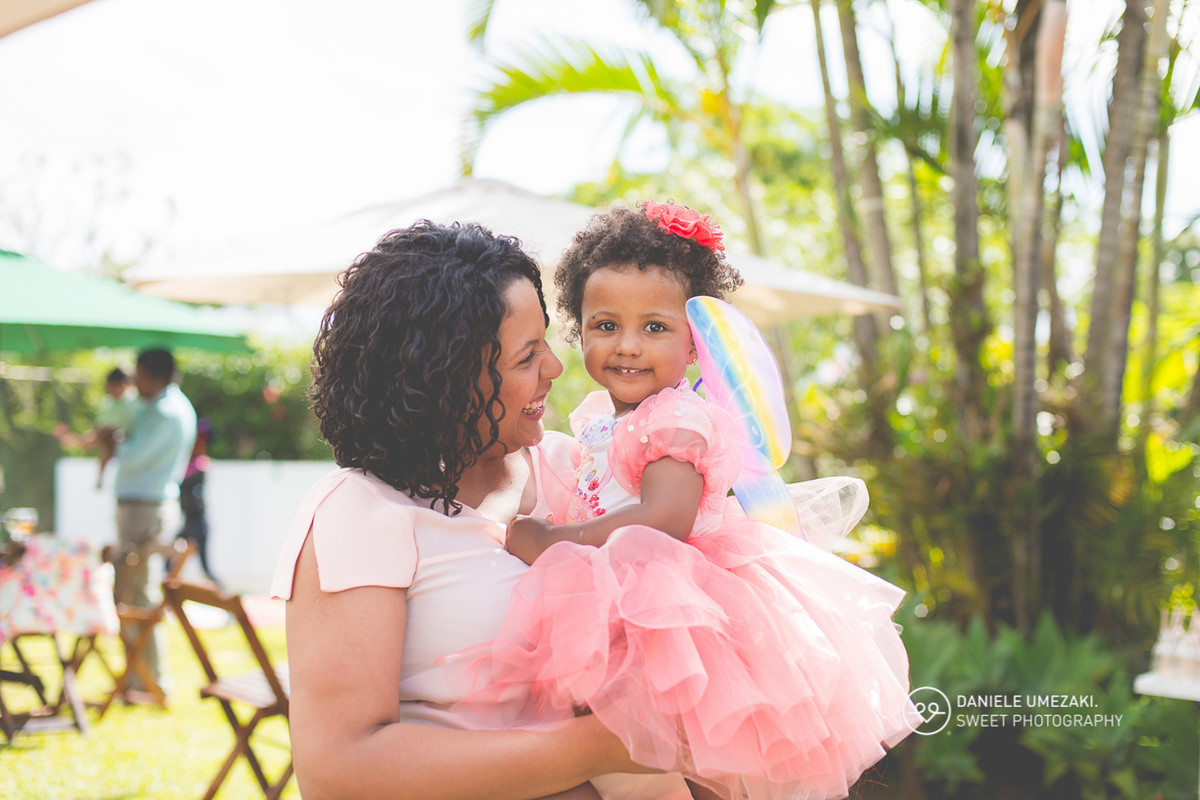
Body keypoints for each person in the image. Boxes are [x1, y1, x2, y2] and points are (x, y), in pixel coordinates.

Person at [450, 203, 921, 800]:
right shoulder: (605, 419)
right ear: (579, 330)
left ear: (695, 344)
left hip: (672, 601)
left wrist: (549, 539)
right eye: (605, 325)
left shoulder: (674, 419)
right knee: (626, 744)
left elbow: (664, 519)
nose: (627, 346)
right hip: (626, 593)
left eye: (655, 328)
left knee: (687, 751)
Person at [270, 221, 692, 800]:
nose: (555, 368)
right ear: (447, 379)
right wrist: (607, 746)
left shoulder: (579, 472)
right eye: (526, 357)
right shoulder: (363, 511)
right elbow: (339, 769)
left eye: (546, 342)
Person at [112, 348, 197, 695]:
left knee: (139, 594)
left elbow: (131, 458)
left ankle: (151, 682)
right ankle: (138, 679)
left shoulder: (168, 412)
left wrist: (114, 440)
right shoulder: (157, 407)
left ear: (157, 377)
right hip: (141, 506)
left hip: (146, 508)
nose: (135, 383)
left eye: (140, 376)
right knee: (130, 593)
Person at [54, 366, 138, 488]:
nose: (108, 390)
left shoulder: (134, 401)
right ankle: (100, 477)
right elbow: (99, 430)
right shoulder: (110, 402)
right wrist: (78, 440)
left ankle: (101, 477)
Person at [176, 418, 218, 585]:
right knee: (171, 560)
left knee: (205, 567)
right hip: (189, 521)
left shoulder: (201, 464)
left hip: (197, 522)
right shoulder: (188, 463)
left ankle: (223, 594)